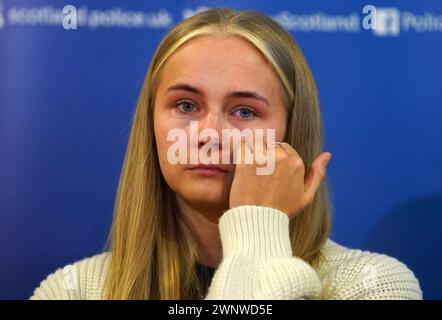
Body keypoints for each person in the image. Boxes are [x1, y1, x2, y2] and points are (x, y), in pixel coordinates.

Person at [30, 7, 422, 300]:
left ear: (292, 135)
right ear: (151, 126)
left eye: (245, 111)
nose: (211, 134)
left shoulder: (372, 285)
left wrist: (257, 225)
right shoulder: (74, 291)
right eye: (186, 106)